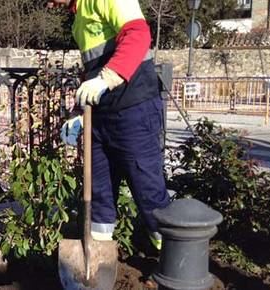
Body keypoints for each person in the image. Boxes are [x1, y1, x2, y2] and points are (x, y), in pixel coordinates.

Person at [51, 0, 171, 249]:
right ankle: (97, 257)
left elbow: (138, 35)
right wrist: (78, 112)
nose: (50, 5)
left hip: (133, 108)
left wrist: (106, 79)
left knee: (147, 188)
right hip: (101, 113)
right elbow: (93, 69)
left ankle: (173, 263)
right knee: (99, 193)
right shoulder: (79, 16)